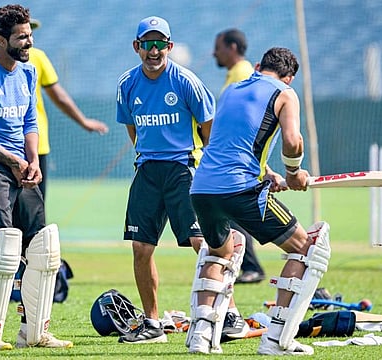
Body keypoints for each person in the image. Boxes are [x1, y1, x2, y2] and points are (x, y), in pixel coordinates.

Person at [187, 47, 331, 355]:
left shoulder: (230, 90)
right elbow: (293, 142)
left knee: (219, 253)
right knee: (305, 248)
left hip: (202, 187)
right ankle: (277, 338)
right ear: (289, 78)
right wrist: (294, 174)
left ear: (257, 67)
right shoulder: (285, 93)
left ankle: (200, 335)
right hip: (239, 189)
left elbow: (224, 143)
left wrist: (267, 174)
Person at [116, 15, 249, 344]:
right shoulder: (127, 85)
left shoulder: (187, 82)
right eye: (148, 44)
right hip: (147, 171)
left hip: (184, 169)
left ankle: (229, 313)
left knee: (202, 243)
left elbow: (209, 132)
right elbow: (134, 130)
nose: (154, 50)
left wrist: (211, 173)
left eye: (161, 43)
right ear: (137, 47)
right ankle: (152, 323)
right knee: (141, 248)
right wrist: (149, 157)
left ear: (170, 47)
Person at [0, 4, 72, 350]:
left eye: (30, 36)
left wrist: (32, 158)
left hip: (23, 166)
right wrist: (10, 159)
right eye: (22, 37)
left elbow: (29, 122)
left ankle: (33, 333)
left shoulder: (27, 72)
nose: (29, 43)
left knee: (41, 247)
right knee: (3, 246)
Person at [0, 18, 109, 199]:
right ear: (1, 38)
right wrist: (83, 121)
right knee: (31, 212)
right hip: (27, 144)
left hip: (7, 144)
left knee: (6, 213)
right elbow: (59, 96)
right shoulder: (36, 56)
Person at [213, 28, 266, 285]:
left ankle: (251, 266)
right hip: (234, 157)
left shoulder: (243, 74)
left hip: (238, 158)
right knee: (232, 211)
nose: (214, 52)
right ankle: (243, 264)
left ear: (232, 47)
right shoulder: (235, 74)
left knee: (237, 210)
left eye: (218, 46)